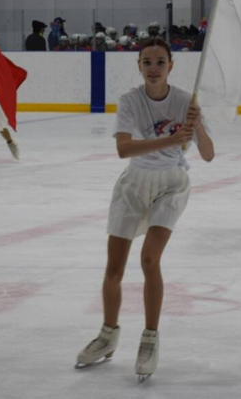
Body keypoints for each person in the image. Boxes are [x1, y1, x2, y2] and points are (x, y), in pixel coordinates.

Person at [74, 38, 215, 382]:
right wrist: (172, 138)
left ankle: (149, 339)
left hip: (170, 186)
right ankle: (108, 335)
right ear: (139, 66)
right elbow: (124, 149)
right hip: (133, 186)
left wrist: (195, 126)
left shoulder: (186, 101)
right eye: (147, 62)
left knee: (150, 259)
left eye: (160, 62)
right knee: (114, 268)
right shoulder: (130, 101)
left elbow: (209, 154)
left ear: (171, 66)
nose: (154, 68)